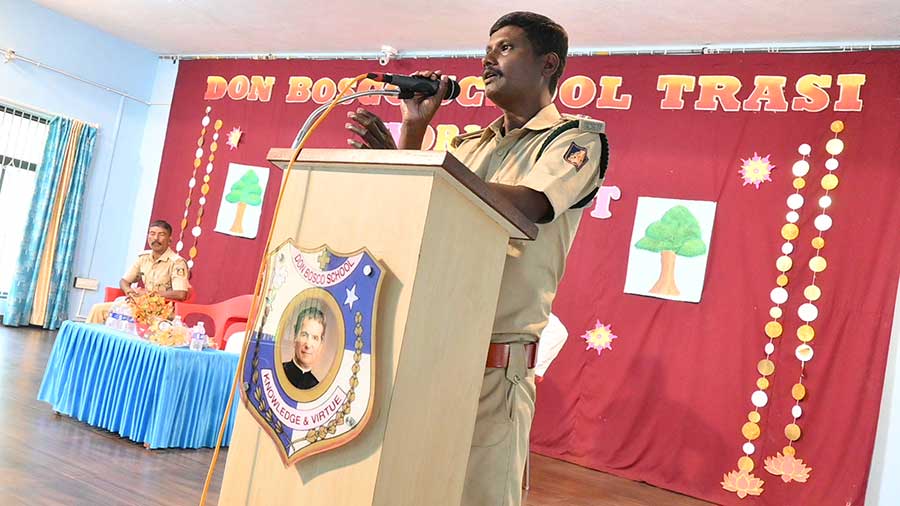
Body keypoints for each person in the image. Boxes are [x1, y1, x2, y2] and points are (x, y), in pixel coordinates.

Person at [347, 11, 609, 505]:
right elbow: (422, 209)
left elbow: (528, 204)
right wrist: (413, 132)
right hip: (430, 351)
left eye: (505, 48)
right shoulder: (468, 148)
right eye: (487, 50)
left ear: (549, 64)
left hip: (495, 367)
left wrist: (426, 167)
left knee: (479, 496)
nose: (488, 60)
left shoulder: (574, 140)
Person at [86, 220, 191, 324]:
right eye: (152, 234)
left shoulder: (177, 262)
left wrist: (148, 294)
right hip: (140, 304)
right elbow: (124, 281)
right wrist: (129, 291)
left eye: (161, 235)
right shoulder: (143, 258)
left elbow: (181, 294)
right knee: (98, 309)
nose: (156, 238)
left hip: (162, 310)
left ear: (170, 240)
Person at [282, 306, 327, 390]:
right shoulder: (278, 372)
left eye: (315, 338)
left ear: (320, 345)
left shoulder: (317, 389)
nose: (308, 345)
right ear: (295, 337)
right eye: (304, 335)